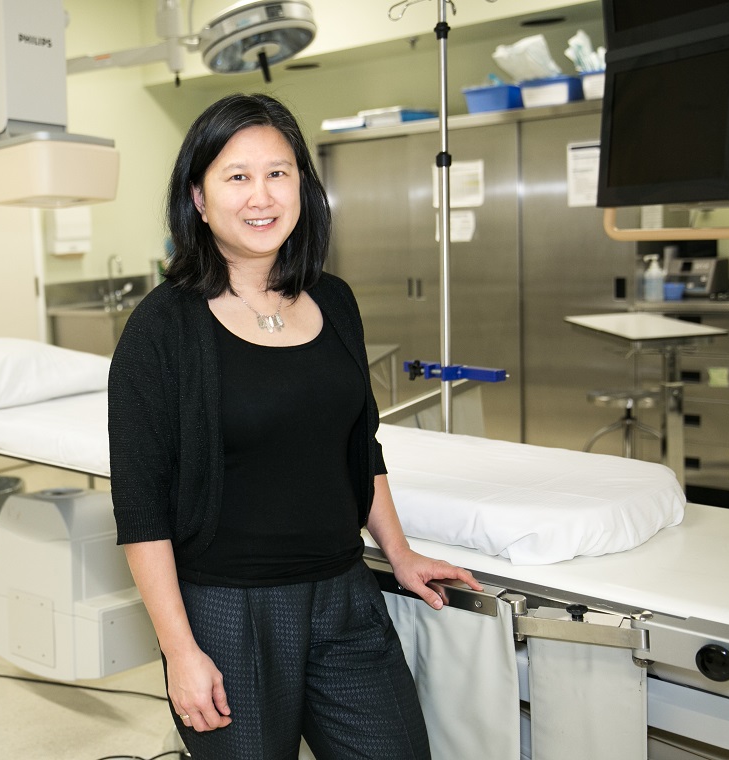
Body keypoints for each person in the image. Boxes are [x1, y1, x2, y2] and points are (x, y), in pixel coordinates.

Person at [107, 93, 481, 760]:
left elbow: (358, 444)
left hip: (344, 593)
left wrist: (398, 552)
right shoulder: (162, 329)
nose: (262, 196)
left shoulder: (333, 301)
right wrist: (180, 651)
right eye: (237, 176)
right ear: (198, 197)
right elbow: (141, 509)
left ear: (302, 186)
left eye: (279, 173)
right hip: (227, 610)